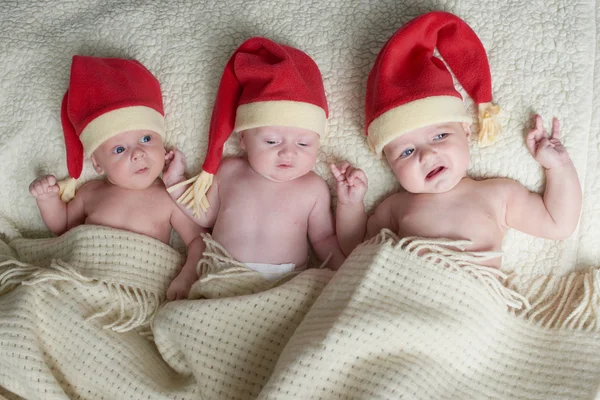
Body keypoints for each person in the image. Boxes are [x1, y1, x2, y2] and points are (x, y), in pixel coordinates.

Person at [331, 11, 582, 268]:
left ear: (467, 131)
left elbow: (557, 224)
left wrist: (558, 166)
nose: (426, 155)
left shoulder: (497, 194)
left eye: (440, 136)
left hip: (466, 300)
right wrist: (351, 204)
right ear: (389, 163)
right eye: (406, 152)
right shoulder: (396, 207)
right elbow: (356, 247)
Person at [163, 37, 346, 299]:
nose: (288, 151)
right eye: (271, 141)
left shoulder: (313, 188)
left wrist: (344, 274)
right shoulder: (229, 171)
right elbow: (204, 217)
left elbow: (324, 239)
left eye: (304, 143)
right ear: (243, 140)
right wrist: (175, 180)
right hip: (222, 277)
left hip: (283, 286)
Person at [28, 56, 206, 298]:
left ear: (163, 144)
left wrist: (186, 277)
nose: (138, 154)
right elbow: (63, 227)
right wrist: (48, 199)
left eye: (146, 139)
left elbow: (198, 241)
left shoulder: (168, 197)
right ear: (98, 164)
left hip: (135, 290)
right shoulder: (91, 192)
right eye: (119, 149)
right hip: (81, 281)